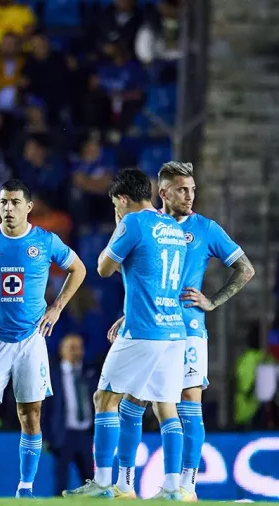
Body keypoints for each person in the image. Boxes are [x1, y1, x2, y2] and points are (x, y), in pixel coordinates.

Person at [109, 162, 255, 500]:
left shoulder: (205, 228)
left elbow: (245, 269)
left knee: (189, 402)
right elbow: (134, 274)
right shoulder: (147, 224)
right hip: (151, 325)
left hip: (188, 329)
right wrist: (129, 314)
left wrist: (212, 302)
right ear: (163, 193)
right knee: (133, 402)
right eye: (182, 190)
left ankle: (185, 487)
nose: (190, 196)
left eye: (192, 190)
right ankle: (125, 485)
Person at [0, 179, 86, 498]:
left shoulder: (45, 241)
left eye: (13, 202)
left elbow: (78, 269)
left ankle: (25, 488)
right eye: (3, 202)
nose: (7, 208)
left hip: (31, 340)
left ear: (28, 207)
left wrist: (56, 308)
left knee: (30, 414)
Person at [64, 168, 188, 500]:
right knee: (166, 406)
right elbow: (159, 277)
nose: (116, 211)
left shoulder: (132, 222)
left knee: (105, 397)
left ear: (122, 199)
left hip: (144, 329)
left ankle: (104, 484)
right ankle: (175, 488)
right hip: (174, 330)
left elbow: (103, 268)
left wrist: (119, 229)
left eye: (115, 205)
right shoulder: (174, 228)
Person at [44, 334, 96, 495]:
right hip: (63, 434)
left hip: (87, 434)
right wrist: (46, 436)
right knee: (61, 480)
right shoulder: (51, 375)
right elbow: (44, 409)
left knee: (91, 480)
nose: (76, 352)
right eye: (72, 348)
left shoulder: (91, 372)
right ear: (62, 350)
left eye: (79, 348)